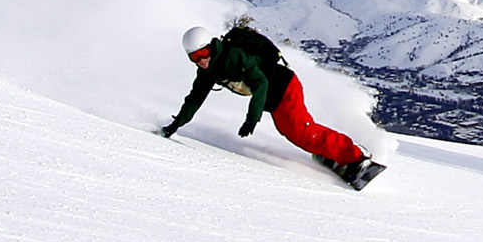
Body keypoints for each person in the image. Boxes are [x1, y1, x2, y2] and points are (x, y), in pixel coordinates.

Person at [160, 24, 386, 190]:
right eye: (194, 58)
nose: (201, 61)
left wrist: (252, 118)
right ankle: (332, 153)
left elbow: (261, 82)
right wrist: (176, 124)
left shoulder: (233, 57)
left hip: (282, 87)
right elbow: (195, 97)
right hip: (273, 96)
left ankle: (357, 157)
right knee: (297, 131)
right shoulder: (208, 71)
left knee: (301, 131)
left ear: (210, 47)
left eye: (203, 54)